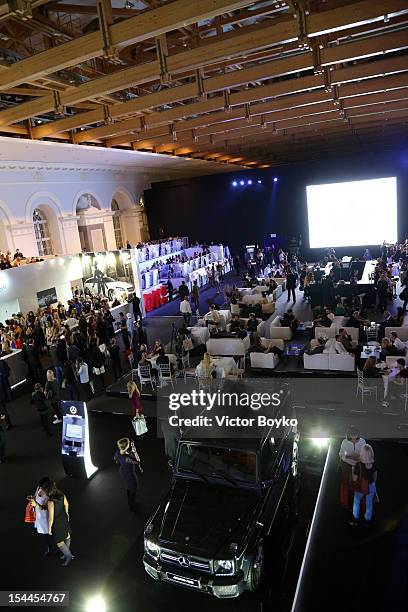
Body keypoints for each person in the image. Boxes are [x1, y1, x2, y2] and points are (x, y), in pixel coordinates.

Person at [43, 481, 73, 566]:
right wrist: (67, 513)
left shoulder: (50, 502)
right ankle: (66, 553)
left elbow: (51, 518)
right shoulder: (61, 494)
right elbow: (67, 504)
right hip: (64, 518)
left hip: (57, 524)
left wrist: (49, 529)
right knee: (67, 535)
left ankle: (68, 555)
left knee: (59, 542)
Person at [339, 427, 366, 510]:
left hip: (358, 464)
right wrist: (349, 456)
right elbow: (341, 454)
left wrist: (359, 458)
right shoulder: (345, 442)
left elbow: (365, 453)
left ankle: (359, 503)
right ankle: (345, 502)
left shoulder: (362, 441)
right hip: (346, 464)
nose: (354, 438)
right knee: (345, 483)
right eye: (352, 436)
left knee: (358, 483)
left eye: (355, 436)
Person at [350, 444, 378, 526]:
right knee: (369, 503)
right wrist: (372, 484)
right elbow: (375, 475)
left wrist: (352, 469)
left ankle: (356, 519)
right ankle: (367, 521)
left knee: (356, 501)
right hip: (371, 486)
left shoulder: (358, 465)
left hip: (361, 487)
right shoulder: (374, 464)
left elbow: (355, 479)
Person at [114, 437, 141, 513]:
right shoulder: (127, 458)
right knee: (134, 488)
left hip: (122, 471)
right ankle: (131, 504)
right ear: (126, 446)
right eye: (128, 444)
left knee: (128, 487)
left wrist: (129, 452)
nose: (129, 445)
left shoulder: (117, 452)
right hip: (129, 473)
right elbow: (138, 461)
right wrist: (135, 452)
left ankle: (130, 501)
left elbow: (116, 459)